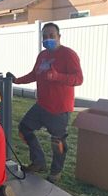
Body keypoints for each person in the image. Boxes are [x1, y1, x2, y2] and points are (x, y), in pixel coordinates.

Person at [7, 22, 83, 183]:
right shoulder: (42, 56)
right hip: (41, 105)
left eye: (51, 36)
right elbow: (35, 74)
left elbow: (79, 79)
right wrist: (17, 80)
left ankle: (56, 173)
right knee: (24, 129)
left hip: (59, 109)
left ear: (59, 36)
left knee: (57, 141)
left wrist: (58, 76)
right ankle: (39, 162)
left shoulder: (69, 54)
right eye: (45, 36)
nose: (48, 39)